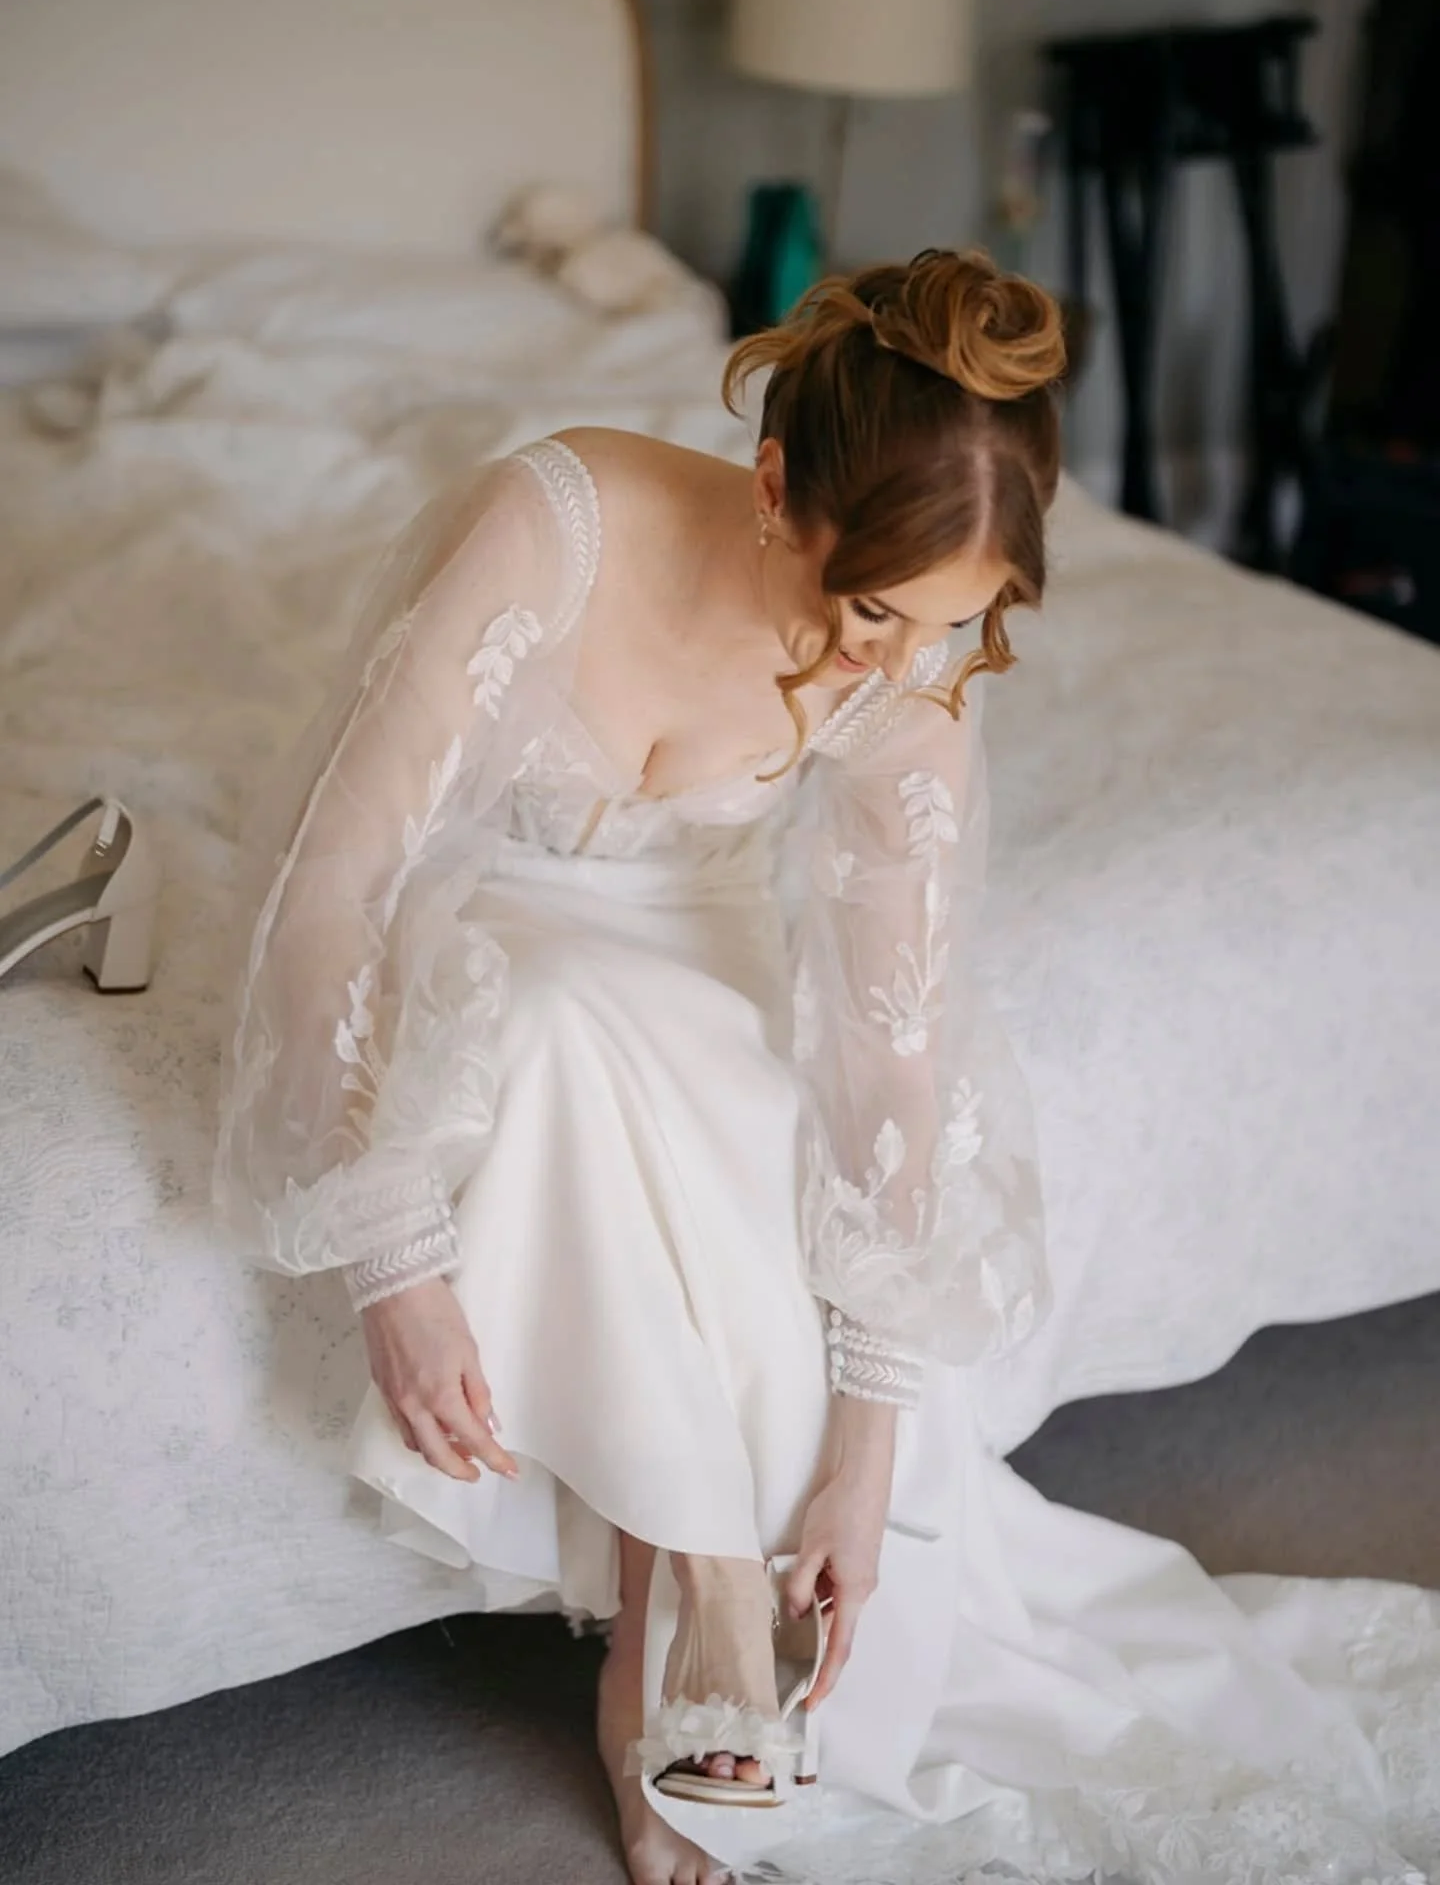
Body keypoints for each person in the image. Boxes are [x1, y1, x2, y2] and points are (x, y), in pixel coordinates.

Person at [214, 251, 1432, 1885]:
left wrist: (868, 1446)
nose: (892, 668)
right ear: (777, 487)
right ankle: (702, 1601)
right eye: (869, 612)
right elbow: (341, 884)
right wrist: (392, 1254)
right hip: (482, 913)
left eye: (947, 626)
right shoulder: (551, 530)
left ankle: (685, 1612)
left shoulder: (917, 650)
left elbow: (894, 1036)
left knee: (755, 1104)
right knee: (568, 1024)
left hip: (681, 946)